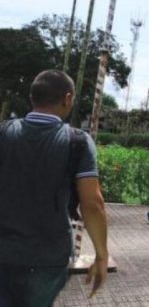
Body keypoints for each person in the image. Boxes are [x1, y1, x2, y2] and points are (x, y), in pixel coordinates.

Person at [0, 70, 109, 304]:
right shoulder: (78, 141)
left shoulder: (4, 132)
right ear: (67, 98)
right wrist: (101, 255)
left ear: (33, 97)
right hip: (47, 257)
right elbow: (92, 204)